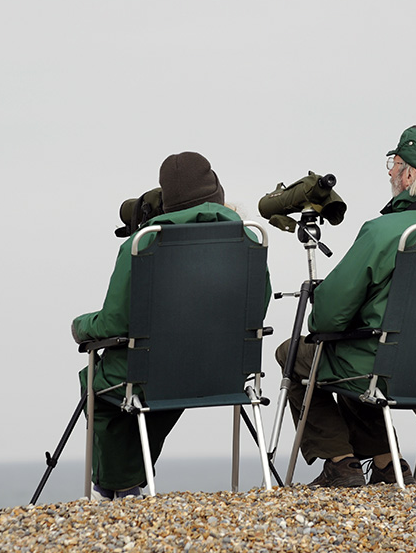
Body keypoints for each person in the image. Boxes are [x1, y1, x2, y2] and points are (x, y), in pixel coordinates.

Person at [276, 125, 416, 488]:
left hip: (385, 368)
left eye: (395, 163)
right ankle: (387, 464)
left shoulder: (385, 231)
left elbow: (326, 318)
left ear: (409, 174)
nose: (389, 171)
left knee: (299, 353)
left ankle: (340, 463)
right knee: (363, 350)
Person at [71, 151, 271, 500]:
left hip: (156, 374)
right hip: (226, 372)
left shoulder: (144, 242)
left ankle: (118, 485)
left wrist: (81, 327)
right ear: (216, 193)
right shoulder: (249, 239)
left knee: (99, 384)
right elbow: (259, 306)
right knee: (162, 379)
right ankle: (128, 481)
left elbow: (114, 322)